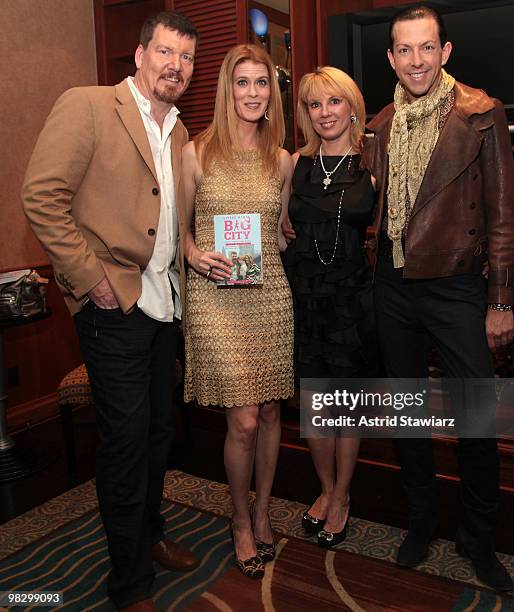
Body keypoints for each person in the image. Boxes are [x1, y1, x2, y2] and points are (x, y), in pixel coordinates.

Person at [22, 12, 200, 611]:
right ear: (140, 53)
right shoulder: (90, 105)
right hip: (112, 304)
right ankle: (128, 586)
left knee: (156, 436)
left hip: (161, 307)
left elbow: (171, 221)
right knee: (126, 443)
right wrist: (91, 279)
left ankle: (148, 538)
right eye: (166, 52)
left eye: (187, 58)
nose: (176, 66)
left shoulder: (177, 131)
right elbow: (41, 197)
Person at [361, 4, 514, 592]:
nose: (416, 60)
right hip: (392, 286)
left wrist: (500, 300)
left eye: (427, 48)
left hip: (456, 287)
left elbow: (502, 216)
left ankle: (478, 540)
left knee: (477, 419)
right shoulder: (380, 124)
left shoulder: (482, 113)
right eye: (405, 50)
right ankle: (421, 522)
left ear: (445, 52)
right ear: (392, 58)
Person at [181, 44, 294, 579]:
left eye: (262, 83)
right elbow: (176, 233)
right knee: (244, 420)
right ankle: (239, 519)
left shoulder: (282, 160)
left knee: (271, 412)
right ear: (227, 90)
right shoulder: (196, 153)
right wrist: (196, 256)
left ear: (273, 92)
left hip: (268, 292)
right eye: (242, 83)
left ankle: (266, 508)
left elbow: (278, 233)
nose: (253, 93)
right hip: (217, 299)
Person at [283, 66, 379, 548]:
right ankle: (325, 488)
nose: (325, 113)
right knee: (315, 404)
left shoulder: (373, 161)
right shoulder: (293, 164)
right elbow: (278, 224)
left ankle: (342, 495)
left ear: (351, 106)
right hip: (303, 295)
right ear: (306, 112)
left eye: (334, 102)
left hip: (351, 297)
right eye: (315, 104)